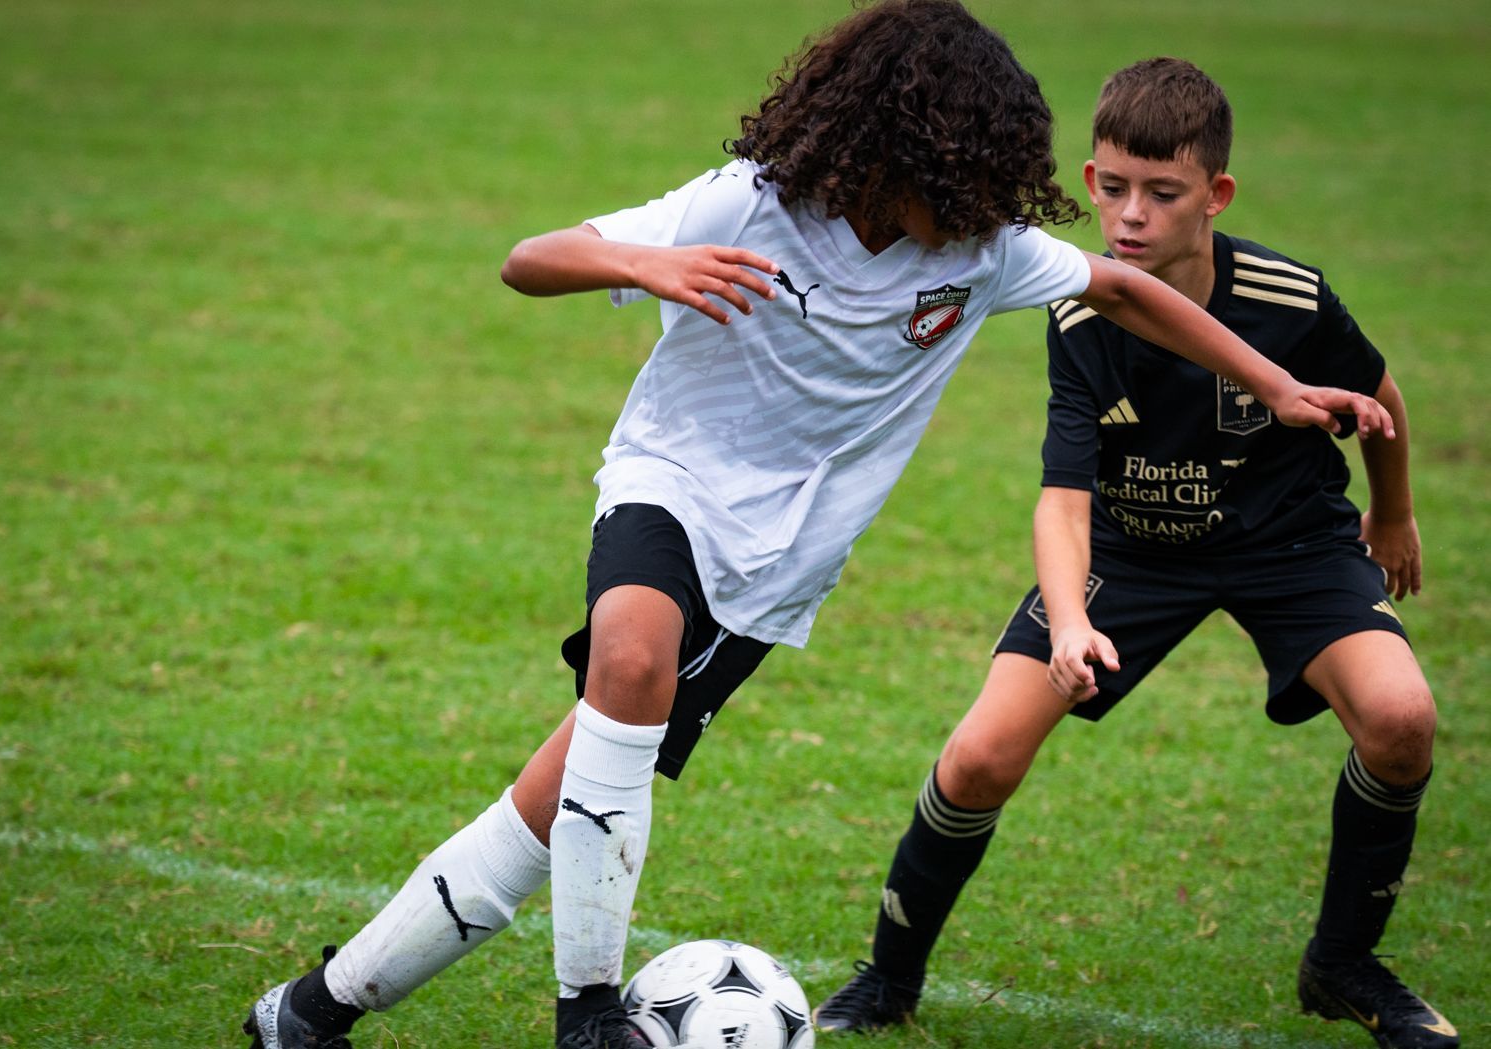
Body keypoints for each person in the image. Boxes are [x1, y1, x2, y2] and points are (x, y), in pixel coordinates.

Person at [240, 12, 1392, 1048]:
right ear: (892, 146)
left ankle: (310, 1010)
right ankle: (587, 1015)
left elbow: (1130, 293)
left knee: (549, 807)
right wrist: (645, 259)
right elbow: (527, 258)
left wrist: (1277, 386)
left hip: (772, 571)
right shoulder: (748, 199)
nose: (975, 195)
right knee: (627, 652)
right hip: (669, 481)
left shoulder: (981, 251)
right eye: (956, 167)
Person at [811, 56, 1454, 1049]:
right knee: (978, 755)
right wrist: (1068, 621)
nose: (1127, 216)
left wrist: (1395, 514)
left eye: (1160, 193)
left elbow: (1377, 397)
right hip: (1131, 550)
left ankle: (1341, 964)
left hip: (1287, 542)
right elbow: (1062, 498)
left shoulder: (1288, 299)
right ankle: (886, 977)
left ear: (1215, 194)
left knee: (1401, 716)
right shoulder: (1077, 312)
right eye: (1109, 188)